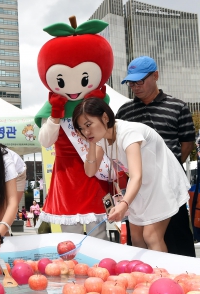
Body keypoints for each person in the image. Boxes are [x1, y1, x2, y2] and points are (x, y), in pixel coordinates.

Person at [73, 97, 190, 252]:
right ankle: (141, 275)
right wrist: (92, 143)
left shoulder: (129, 133)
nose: (86, 132)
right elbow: (90, 171)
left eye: (88, 125)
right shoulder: (100, 138)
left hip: (161, 182)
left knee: (152, 236)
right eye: (81, 128)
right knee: (136, 238)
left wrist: (123, 205)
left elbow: (136, 176)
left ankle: (160, 275)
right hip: (140, 186)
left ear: (105, 117)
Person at [116, 56, 196, 257]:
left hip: (168, 184)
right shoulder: (124, 111)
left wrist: (167, 166)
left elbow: (187, 143)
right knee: (140, 238)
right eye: (131, 82)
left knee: (176, 237)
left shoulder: (177, 107)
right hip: (139, 187)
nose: (135, 86)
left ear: (156, 76)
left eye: (139, 81)